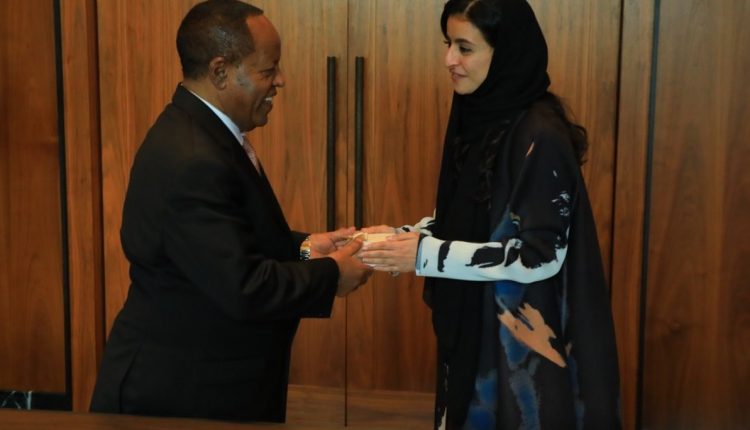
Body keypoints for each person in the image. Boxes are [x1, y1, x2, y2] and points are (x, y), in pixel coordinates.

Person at [89, 0, 372, 422]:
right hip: (179, 397)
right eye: (268, 70)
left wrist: (306, 247)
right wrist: (332, 275)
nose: (281, 80)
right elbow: (244, 286)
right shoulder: (192, 158)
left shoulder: (205, 132)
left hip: (212, 384)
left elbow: (230, 237)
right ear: (220, 71)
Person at [358, 0, 621, 428]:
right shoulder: (482, 115)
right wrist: (401, 238)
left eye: (465, 48)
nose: (449, 60)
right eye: (448, 44)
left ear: (506, 52)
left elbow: (540, 254)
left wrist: (425, 254)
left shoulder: (539, 135)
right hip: (478, 326)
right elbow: (474, 217)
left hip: (522, 346)